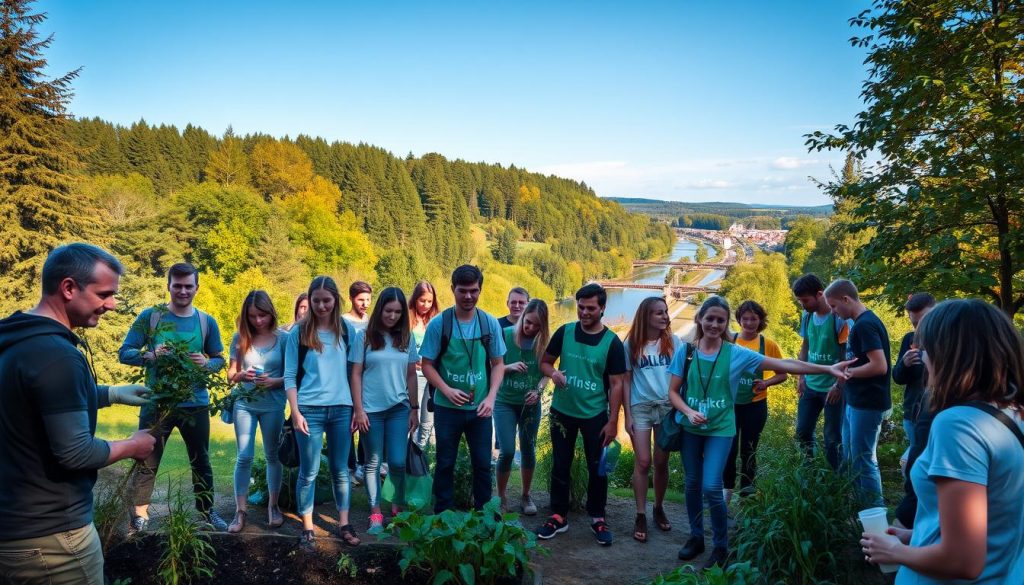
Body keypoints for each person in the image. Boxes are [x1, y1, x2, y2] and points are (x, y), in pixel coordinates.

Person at [0, 243, 155, 585]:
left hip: (13, 528)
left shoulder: (18, 340)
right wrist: (134, 445)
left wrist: (110, 394)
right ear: (69, 288)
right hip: (53, 542)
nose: (112, 304)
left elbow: (39, 403)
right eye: (105, 294)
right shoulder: (58, 356)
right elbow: (75, 452)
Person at [670, 295, 851, 570]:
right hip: (690, 428)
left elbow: (786, 365)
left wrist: (826, 368)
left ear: (726, 323)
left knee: (711, 486)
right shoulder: (686, 352)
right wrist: (688, 412)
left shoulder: (736, 353)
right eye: (710, 319)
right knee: (692, 484)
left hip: (720, 428)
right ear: (700, 320)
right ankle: (696, 537)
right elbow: (672, 392)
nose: (715, 325)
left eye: (720, 320)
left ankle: (721, 546)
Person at [861, 299, 1024, 584]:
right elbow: (998, 516)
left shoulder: (959, 425)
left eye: (927, 349)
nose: (923, 359)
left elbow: (962, 560)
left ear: (949, 355)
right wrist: (918, 536)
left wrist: (896, 551)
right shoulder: (1013, 412)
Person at [119, 262, 227, 532]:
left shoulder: (206, 321)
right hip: (157, 403)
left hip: (196, 404)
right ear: (168, 286)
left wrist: (206, 364)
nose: (182, 290)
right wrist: (152, 355)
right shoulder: (150, 317)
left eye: (188, 286)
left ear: (196, 288)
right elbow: (125, 352)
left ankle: (206, 512)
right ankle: (141, 515)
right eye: (177, 285)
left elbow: (219, 360)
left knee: (201, 460)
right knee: (147, 458)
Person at [535, 283, 625, 546]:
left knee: (597, 468)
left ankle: (597, 517)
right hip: (562, 411)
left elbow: (618, 384)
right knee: (560, 465)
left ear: (602, 309)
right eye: (581, 307)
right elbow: (544, 362)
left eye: (590, 308)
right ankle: (557, 516)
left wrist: (613, 422)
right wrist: (553, 373)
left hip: (594, 415)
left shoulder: (612, 343)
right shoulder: (565, 332)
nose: (584, 312)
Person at [420, 265, 506, 513]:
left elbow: (498, 364)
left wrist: (490, 398)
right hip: (447, 409)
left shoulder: (489, 323)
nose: (468, 296)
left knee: (482, 463)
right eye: (463, 291)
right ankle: (443, 515)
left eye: (474, 291)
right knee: (445, 462)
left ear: (480, 290)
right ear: (453, 290)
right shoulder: (440, 324)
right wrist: (446, 390)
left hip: (480, 408)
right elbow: (427, 365)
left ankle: (485, 515)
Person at [283, 276, 360, 549]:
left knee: (341, 470)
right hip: (309, 410)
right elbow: (290, 376)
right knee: (309, 471)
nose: (321, 305)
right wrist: (296, 412)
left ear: (336, 300)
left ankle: (344, 523)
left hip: (341, 408)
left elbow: (355, 374)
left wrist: (356, 409)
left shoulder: (349, 332)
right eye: (316, 300)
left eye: (327, 300)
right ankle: (307, 526)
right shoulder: (298, 333)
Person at [349, 287, 420, 530]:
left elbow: (411, 374)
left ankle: (396, 506)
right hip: (371, 411)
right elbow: (355, 374)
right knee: (373, 462)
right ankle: (376, 513)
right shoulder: (364, 337)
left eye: (398, 312)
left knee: (398, 462)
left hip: (399, 407)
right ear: (380, 309)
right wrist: (358, 410)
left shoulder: (406, 338)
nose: (392, 316)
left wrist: (414, 408)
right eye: (388, 310)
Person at [825, 279, 891, 507]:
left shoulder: (865, 324)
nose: (833, 312)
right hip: (854, 400)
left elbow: (879, 365)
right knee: (852, 458)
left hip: (868, 402)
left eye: (834, 306)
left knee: (864, 460)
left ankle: (876, 516)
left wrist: (848, 372)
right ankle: (860, 511)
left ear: (846, 299)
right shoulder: (857, 323)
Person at [225, 290, 286, 533]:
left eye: (262, 315)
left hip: (273, 404)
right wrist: (241, 375)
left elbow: (291, 376)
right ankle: (240, 512)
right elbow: (230, 376)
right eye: (253, 316)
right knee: (244, 456)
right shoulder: (239, 338)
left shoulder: (283, 339)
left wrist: (274, 382)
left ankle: (273, 506)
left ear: (270, 313)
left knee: (273, 455)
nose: (258, 321)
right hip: (244, 404)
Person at [622, 297, 680, 543]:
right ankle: (640, 513)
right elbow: (625, 381)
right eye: (659, 313)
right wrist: (627, 414)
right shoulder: (631, 344)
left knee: (661, 461)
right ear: (646, 316)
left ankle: (658, 506)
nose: (665, 316)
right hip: (641, 406)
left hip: (667, 407)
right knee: (643, 461)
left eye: (666, 312)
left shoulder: (674, 342)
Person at [723, 300, 787, 501]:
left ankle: (746, 497)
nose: (749, 323)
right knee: (728, 451)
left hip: (755, 405)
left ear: (760, 321)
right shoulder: (729, 340)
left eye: (754, 319)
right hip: (730, 406)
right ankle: (725, 496)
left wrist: (766, 383)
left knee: (749, 451)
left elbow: (783, 374)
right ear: (739, 320)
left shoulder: (768, 344)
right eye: (745, 318)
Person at [495, 299, 550, 515]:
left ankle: (526, 495)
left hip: (530, 405)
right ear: (523, 316)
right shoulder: (506, 334)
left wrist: (538, 390)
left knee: (528, 449)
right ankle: (500, 497)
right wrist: (508, 367)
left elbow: (547, 373)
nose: (531, 328)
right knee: (507, 450)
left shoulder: (544, 341)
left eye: (537, 326)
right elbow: (493, 366)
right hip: (504, 402)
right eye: (528, 323)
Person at [792, 273, 850, 470]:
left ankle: (834, 477)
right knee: (802, 431)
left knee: (832, 436)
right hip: (810, 384)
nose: (802, 305)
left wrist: (839, 385)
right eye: (799, 300)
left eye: (805, 300)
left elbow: (845, 355)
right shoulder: (807, 317)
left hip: (832, 388)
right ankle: (811, 469)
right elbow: (805, 347)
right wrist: (801, 376)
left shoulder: (838, 319)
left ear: (819, 294)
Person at [892, 293, 935, 467]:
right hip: (912, 412)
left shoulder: (947, 341)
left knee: (913, 462)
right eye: (914, 323)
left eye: (923, 322)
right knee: (915, 462)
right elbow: (897, 378)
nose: (918, 329)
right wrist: (904, 364)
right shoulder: (910, 339)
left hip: (935, 412)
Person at [344, 281, 372, 484]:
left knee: (365, 419)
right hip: (345, 376)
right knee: (347, 423)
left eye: (368, 300)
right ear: (352, 299)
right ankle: (348, 465)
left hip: (366, 379)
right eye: (361, 299)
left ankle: (363, 464)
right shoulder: (343, 321)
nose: (364, 304)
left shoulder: (371, 322)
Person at [409, 280, 440, 450]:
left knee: (428, 419)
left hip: (432, 376)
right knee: (415, 416)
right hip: (414, 375)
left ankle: (420, 454)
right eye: (422, 301)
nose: (426, 305)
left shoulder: (437, 320)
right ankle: (409, 454)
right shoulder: (407, 318)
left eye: (430, 301)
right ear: (415, 299)